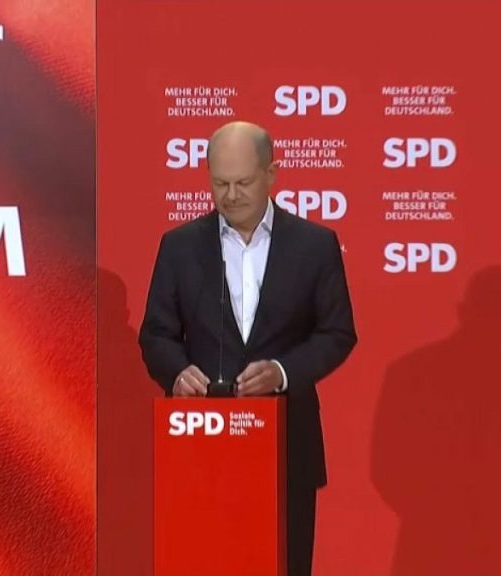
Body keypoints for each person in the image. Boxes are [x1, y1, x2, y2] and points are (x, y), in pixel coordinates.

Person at [139, 120, 357, 575]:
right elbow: (156, 335)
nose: (231, 195)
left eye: (242, 182)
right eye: (220, 183)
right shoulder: (179, 247)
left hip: (285, 448)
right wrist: (177, 373)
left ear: (272, 174)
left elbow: (337, 333)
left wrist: (282, 371)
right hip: (203, 448)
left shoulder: (315, 245)